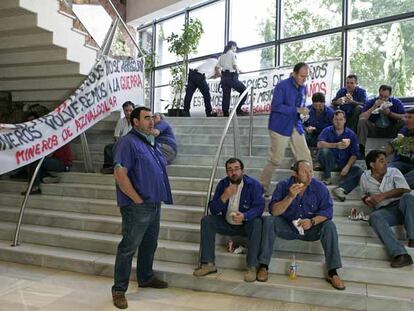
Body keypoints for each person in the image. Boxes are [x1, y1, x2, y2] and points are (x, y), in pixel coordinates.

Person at [111, 106, 173, 309]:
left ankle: (145, 277)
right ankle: (119, 290)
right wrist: (136, 199)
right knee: (128, 248)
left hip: (154, 204)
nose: (151, 121)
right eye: (146, 118)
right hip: (137, 207)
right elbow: (120, 175)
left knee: (149, 244)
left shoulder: (149, 142)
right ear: (135, 121)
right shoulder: (127, 142)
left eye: (152, 117)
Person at [256, 160, 345, 290]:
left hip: (311, 229)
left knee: (329, 226)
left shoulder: (319, 187)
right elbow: (274, 211)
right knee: (269, 221)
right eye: (304, 172)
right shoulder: (283, 185)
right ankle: (263, 265)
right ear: (295, 174)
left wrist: (313, 221)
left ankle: (333, 272)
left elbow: (328, 212)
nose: (309, 175)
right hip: (288, 227)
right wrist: (290, 197)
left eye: (311, 171)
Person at [193, 158, 265, 282]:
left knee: (258, 222)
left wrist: (245, 216)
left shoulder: (254, 184)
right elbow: (214, 210)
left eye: (236, 169)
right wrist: (224, 196)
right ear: (227, 172)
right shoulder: (223, 184)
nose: (233, 172)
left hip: (245, 224)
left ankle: (252, 266)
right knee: (207, 220)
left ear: (242, 170)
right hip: (226, 222)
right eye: (230, 170)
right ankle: (208, 263)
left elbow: (259, 207)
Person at [259, 62, 313, 195]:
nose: (304, 79)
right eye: (301, 76)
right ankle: (261, 188)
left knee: (306, 158)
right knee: (276, 159)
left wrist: (303, 113)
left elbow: (299, 108)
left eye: (306, 77)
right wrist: (296, 109)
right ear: (294, 74)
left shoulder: (304, 89)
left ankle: (307, 188)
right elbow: (276, 106)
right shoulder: (282, 86)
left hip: (296, 125)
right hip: (279, 126)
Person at [360, 150, 413, 268]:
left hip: (404, 207)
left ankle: (413, 237)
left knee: (408, 197)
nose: (386, 163)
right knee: (374, 217)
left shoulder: (394, 171)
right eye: (381, 160)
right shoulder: (364, 177)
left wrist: (382, 196)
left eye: (385, 160)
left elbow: (405, 190)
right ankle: (401, 254)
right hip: (387, 211)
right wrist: (368, 200)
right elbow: (363, 195)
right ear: (372, 165)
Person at [317, 110, 363, 201]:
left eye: (341, 119)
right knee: (324, 151)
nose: (338, 122)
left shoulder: (351, 134)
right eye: (336, 119)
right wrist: (336, 145)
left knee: (358, 170)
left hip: (344, 164)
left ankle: (341, 188)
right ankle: (327, 177)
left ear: (345, 120)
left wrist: (347, 166)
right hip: (330, 163)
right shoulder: (327, 130)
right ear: (333, 120)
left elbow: (354, 154)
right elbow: (319, 144)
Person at [357, 85, 405, 158]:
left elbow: (404, 117)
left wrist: (389, 113)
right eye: (381, 96)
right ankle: (361, 150)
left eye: (385, 97)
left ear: (390, 95)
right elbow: (361, 117)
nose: (382, 99)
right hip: (375, 129)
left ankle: (402, 149)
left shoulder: (396, 102)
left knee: (404, 121)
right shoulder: (372, 102)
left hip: (391, 129)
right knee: (362, 121)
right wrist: (374, 107)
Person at [215, 41, 248, 117]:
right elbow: (234, 66)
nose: (236, 49)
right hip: (231, 77)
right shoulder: (232, 54)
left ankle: (225, 113)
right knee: (244, 91)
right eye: (235, 47)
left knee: (226, 96)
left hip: (224, 78)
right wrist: (239, 71)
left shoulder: (222, 55)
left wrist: (221, 75)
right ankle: (238, 110)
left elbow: (217, 67)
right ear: (232, 46)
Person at [101, 101, 134, 174]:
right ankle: (109, 167)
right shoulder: (121, 121)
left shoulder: (137, 121)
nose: (128, 113)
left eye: (130, 110)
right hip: (121, 142)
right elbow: (116, 135)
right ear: (123, 111)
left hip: (133, 143)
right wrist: (119, 142)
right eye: (126, 111)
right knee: (108, 148)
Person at [387, 109, 414, 188]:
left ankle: (397, 186)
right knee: (388, 170)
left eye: (409, 117)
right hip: (400, 162)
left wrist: (404, 141)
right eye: (405, 117)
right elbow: (393, 145)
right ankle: (398, 186)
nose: (406, 120)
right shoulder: (404, 130)